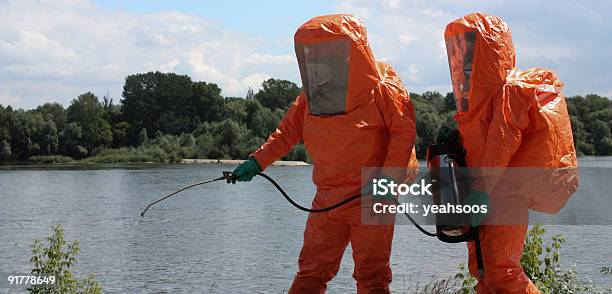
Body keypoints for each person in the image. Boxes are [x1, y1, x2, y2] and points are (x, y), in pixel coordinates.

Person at [233, 14, 418, 293]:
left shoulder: (383, 89)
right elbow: (286, 133)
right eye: (314, 56)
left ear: (346, 55)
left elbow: (403, 134)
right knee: (311, 270)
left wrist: (388, 182)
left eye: (325, 54)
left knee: (372, 274)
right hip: (328, 196)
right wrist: (257, 161)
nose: (317, 63)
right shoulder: (312, 97)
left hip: (372, 194)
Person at [443, 13, 579, 293]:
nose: (462, 63)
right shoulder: (475, 107)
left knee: (501, 272)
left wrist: (480, 192)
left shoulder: (511, 93)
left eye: (468, 51)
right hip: (480, 194)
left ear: (490, 52)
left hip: (503, 197)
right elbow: (481, 146)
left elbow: (500, 144)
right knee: (482, 271)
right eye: (459, 52)